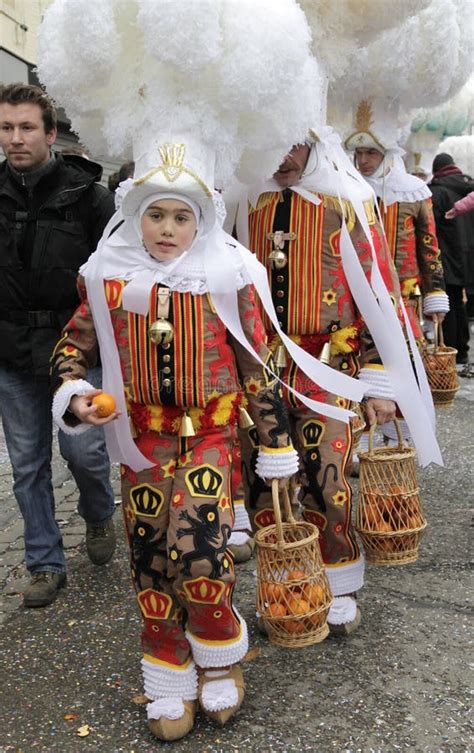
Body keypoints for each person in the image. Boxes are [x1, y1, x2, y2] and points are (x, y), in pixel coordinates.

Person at [51, 139, 301, 742]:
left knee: (201, 549)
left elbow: (258, 366)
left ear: (201, 222)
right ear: (137, 217)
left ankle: (219, 657)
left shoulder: (227, 279)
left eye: (181, 216)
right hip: (140, 442)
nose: (167, 228)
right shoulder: (109, 279)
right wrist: (75, 392)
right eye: (156, 215)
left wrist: (275, 447)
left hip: (212, 437)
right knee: (149, 556)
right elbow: (71, 348)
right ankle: (168, 668)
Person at [230, 132, 402, 636]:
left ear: (313, 146)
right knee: (267, 481)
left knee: (328, 476)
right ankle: (286, 579)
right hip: (263, 370)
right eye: (273, 143)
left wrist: (377, 379)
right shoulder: (246, 205)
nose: (283, 157)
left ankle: (340, 578)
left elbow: (378, 290)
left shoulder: (346, 205)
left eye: (292, 145)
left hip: (329, 366)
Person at [0, 83, 116, 608]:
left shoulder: (88, 197)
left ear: (51, 133)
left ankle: (97, 512)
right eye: (6, 128)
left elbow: (112, 277)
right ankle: (46, 563)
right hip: (10, 352)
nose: (15, 138)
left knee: (83, 450)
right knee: (27, 464)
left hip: (74, 350)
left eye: (26, 127)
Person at [346, 99, 449, 443]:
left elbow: (429, 247)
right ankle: (362, 436)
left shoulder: (414, 193)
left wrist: (436, 294)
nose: (363, 162)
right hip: (359, 297)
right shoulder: (346, 195)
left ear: (387, 153)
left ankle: (399, 436)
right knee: (362, 362)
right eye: (358, 154)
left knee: (404, 364)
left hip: (404, 298)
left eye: (370, 154)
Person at [429, 153, 474, 372]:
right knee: (459, 303)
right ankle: (463, 350)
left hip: (446, 255)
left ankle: (450, 350)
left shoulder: (436, 192)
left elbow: (430, 228)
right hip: (468, 255)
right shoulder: (469, 187)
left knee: (447, 302)